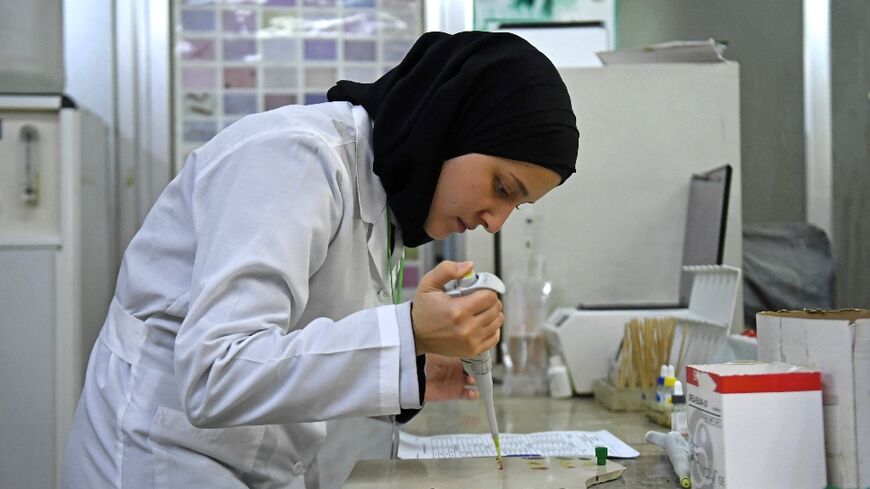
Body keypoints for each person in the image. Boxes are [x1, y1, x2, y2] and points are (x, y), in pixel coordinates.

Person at [62, 30, 579, 489]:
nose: (497, 221)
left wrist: (411, 370)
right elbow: (216, 373)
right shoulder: (297, 158)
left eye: (518, 204)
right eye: (502, 187)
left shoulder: (384, 196)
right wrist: (405, 335)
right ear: (452, 124)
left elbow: (301, 349)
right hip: (161, 461)